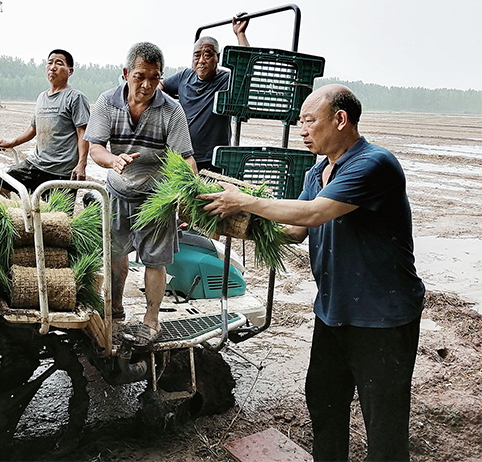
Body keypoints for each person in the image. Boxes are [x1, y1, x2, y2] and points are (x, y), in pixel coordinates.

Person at [198, 84, 425, 461]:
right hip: (333, 313)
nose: (302, 129)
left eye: (309, 121)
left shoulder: (374, 164)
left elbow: (315, 213)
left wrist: (247, 199)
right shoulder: (318, 170)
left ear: (340, 120)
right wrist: (235, 221)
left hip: (382, 319)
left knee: (384, 425)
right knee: (324, 404)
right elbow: (295, 230)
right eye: (300, 121)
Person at [84, 42, 196, 345]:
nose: (147, 85)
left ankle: (151, 320)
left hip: (155, 198)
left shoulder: (171, 110)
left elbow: (186, 158)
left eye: (154, 78)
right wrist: (113, 160)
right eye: (140, 76)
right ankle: (116, 308)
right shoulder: (107, 102)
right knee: (115, 257)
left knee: (154, 261)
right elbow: (95, 147)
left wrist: (189, 194)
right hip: (118, 193)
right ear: (126, 74)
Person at [159, 14, 250, 172]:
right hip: (183, 155)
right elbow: (161, 85)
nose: (201, 60)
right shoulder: (184, 76)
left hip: (212, 160)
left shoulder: (225, 79)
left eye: (207, 55)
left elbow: (246, 67)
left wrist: (240, 34)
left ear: (217, 58)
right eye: (197, 55)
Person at [0, 49, 90, 198]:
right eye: (50, 63)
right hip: (36, 164)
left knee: (56, 217)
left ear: (70, 71)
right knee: (1, 185)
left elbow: (82, 133)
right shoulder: (41, 98)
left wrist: (81, 165)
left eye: (59, 63)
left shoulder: (75, 97)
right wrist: (11, 143)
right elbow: (33, 129)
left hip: (61, 171)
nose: (52, 67)